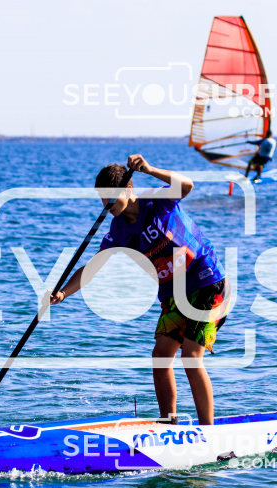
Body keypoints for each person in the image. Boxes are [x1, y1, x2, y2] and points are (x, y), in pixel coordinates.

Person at [47, 155, 230, 425]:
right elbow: (93, 267)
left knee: (191, 357)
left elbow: (187, 186)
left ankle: (208, 431)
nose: (106, 205)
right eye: (102, 199)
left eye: (110, 198)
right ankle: (169, 423)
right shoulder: (118, 231)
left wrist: (150, 169)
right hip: (174, 295)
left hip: (207, 282)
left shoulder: (157, 201)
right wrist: (63, 293)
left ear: (128, 189)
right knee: (160, 356)